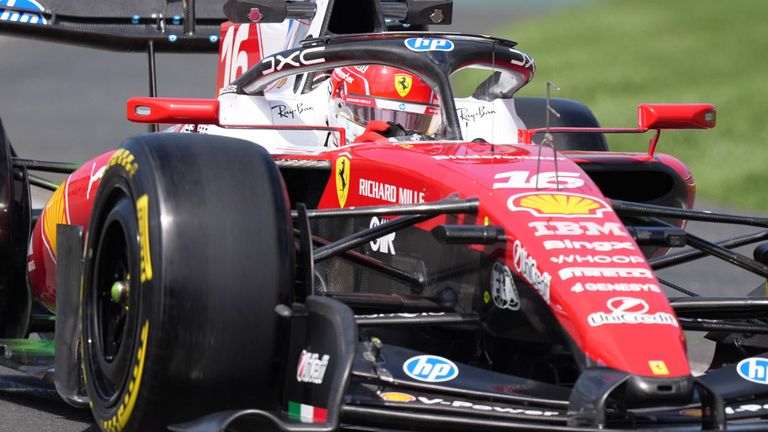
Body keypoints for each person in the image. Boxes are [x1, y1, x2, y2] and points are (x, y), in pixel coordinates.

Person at [328, 65, 442, 144]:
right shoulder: (312, 139)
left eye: (415, 122)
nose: (397, 136)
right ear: (341, 109)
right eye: (380, 117)